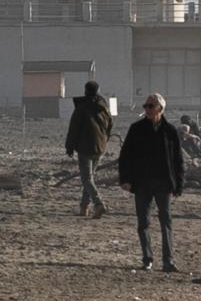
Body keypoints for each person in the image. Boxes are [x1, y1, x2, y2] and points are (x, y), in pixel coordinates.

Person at [118, 93, 184, 272]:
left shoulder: (170, 131)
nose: (146, 109)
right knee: (143, 222)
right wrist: (125, 179)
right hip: (142, 183)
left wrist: (179, 184)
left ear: (160, 109)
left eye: (150, 106)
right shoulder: (136, 129)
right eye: (145, 106)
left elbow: (177, 160)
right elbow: (125, 156)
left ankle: (168, 260)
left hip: (164, 183)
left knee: (166, 221)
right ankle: (147, 258)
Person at [64, 80, 113, 218]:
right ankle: (84, 208)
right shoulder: (104, 107)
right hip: (100, 147)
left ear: (85, 91)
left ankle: (98, 204)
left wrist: (69, 147)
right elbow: (110, 126)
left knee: (87, 179)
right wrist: (104, 140)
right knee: (89, 178)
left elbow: (74, 129)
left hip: (85, 148)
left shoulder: (82, 108)